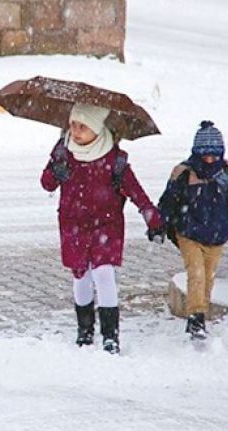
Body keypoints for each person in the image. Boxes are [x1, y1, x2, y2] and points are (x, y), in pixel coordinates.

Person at [41, 103, 164, 354]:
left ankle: (110, 335)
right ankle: (84, 331)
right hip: (73, 224)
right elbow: (47, 184)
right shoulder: (64, 152)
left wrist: (153, 220)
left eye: (83, 126)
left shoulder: (115, 160)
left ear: (97, 129)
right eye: (73, 125)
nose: (75, 131)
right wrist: (56, 170)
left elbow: (136, 192)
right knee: (81, 275)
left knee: (104, 273)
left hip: (106, 225)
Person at [158, 121, 228, 339]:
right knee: (196, 273)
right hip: (189, 233)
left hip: (217, 236)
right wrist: (161, 224)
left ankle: (201, 313)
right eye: (204, 154)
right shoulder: (184, 173)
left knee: (208, 276)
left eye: (213, 154)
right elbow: (168, 201)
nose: (209, 159)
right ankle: (195, 318)